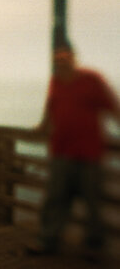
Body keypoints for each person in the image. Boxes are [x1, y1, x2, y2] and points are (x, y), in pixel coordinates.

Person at [26, 44, 120, 257]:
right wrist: (41, 126)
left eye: (65, 58)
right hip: (61, 152)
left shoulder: (91, 80)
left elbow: (112, 107)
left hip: (89, 154)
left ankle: (94, 246)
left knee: (92, 202)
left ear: (73, 59)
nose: (61, 62)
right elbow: (51, 107)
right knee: (55, 199)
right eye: (58, 60)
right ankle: (47, 241)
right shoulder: (55, 82)